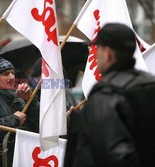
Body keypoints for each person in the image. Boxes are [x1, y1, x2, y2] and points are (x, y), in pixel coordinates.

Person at [64, 23, 155, 167]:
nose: (94, 56)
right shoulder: (150, 83)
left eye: (96, 49)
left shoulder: (107, 95)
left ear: (108, 53)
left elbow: (114, 157)